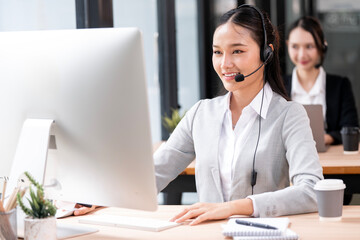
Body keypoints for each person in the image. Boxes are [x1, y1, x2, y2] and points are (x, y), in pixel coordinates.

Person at [154, 5, 323, 225]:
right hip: (206, 236)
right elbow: (155, 172)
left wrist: (234, 208)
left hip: (262, 235)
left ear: (266, 53)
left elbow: (311, 190)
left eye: (237, 51)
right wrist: (100, 198)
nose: (225, 64)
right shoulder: (201, 114)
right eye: (217, 52)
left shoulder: (289, 115)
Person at [284, 16, 359, 145]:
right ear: (287, 45)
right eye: (295, 46)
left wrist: (322, 140)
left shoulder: (340, 86)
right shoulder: (278, 85)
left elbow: (351, 128)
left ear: (322, 46)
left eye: (309, 46)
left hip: (329, 159)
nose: (302, 55)